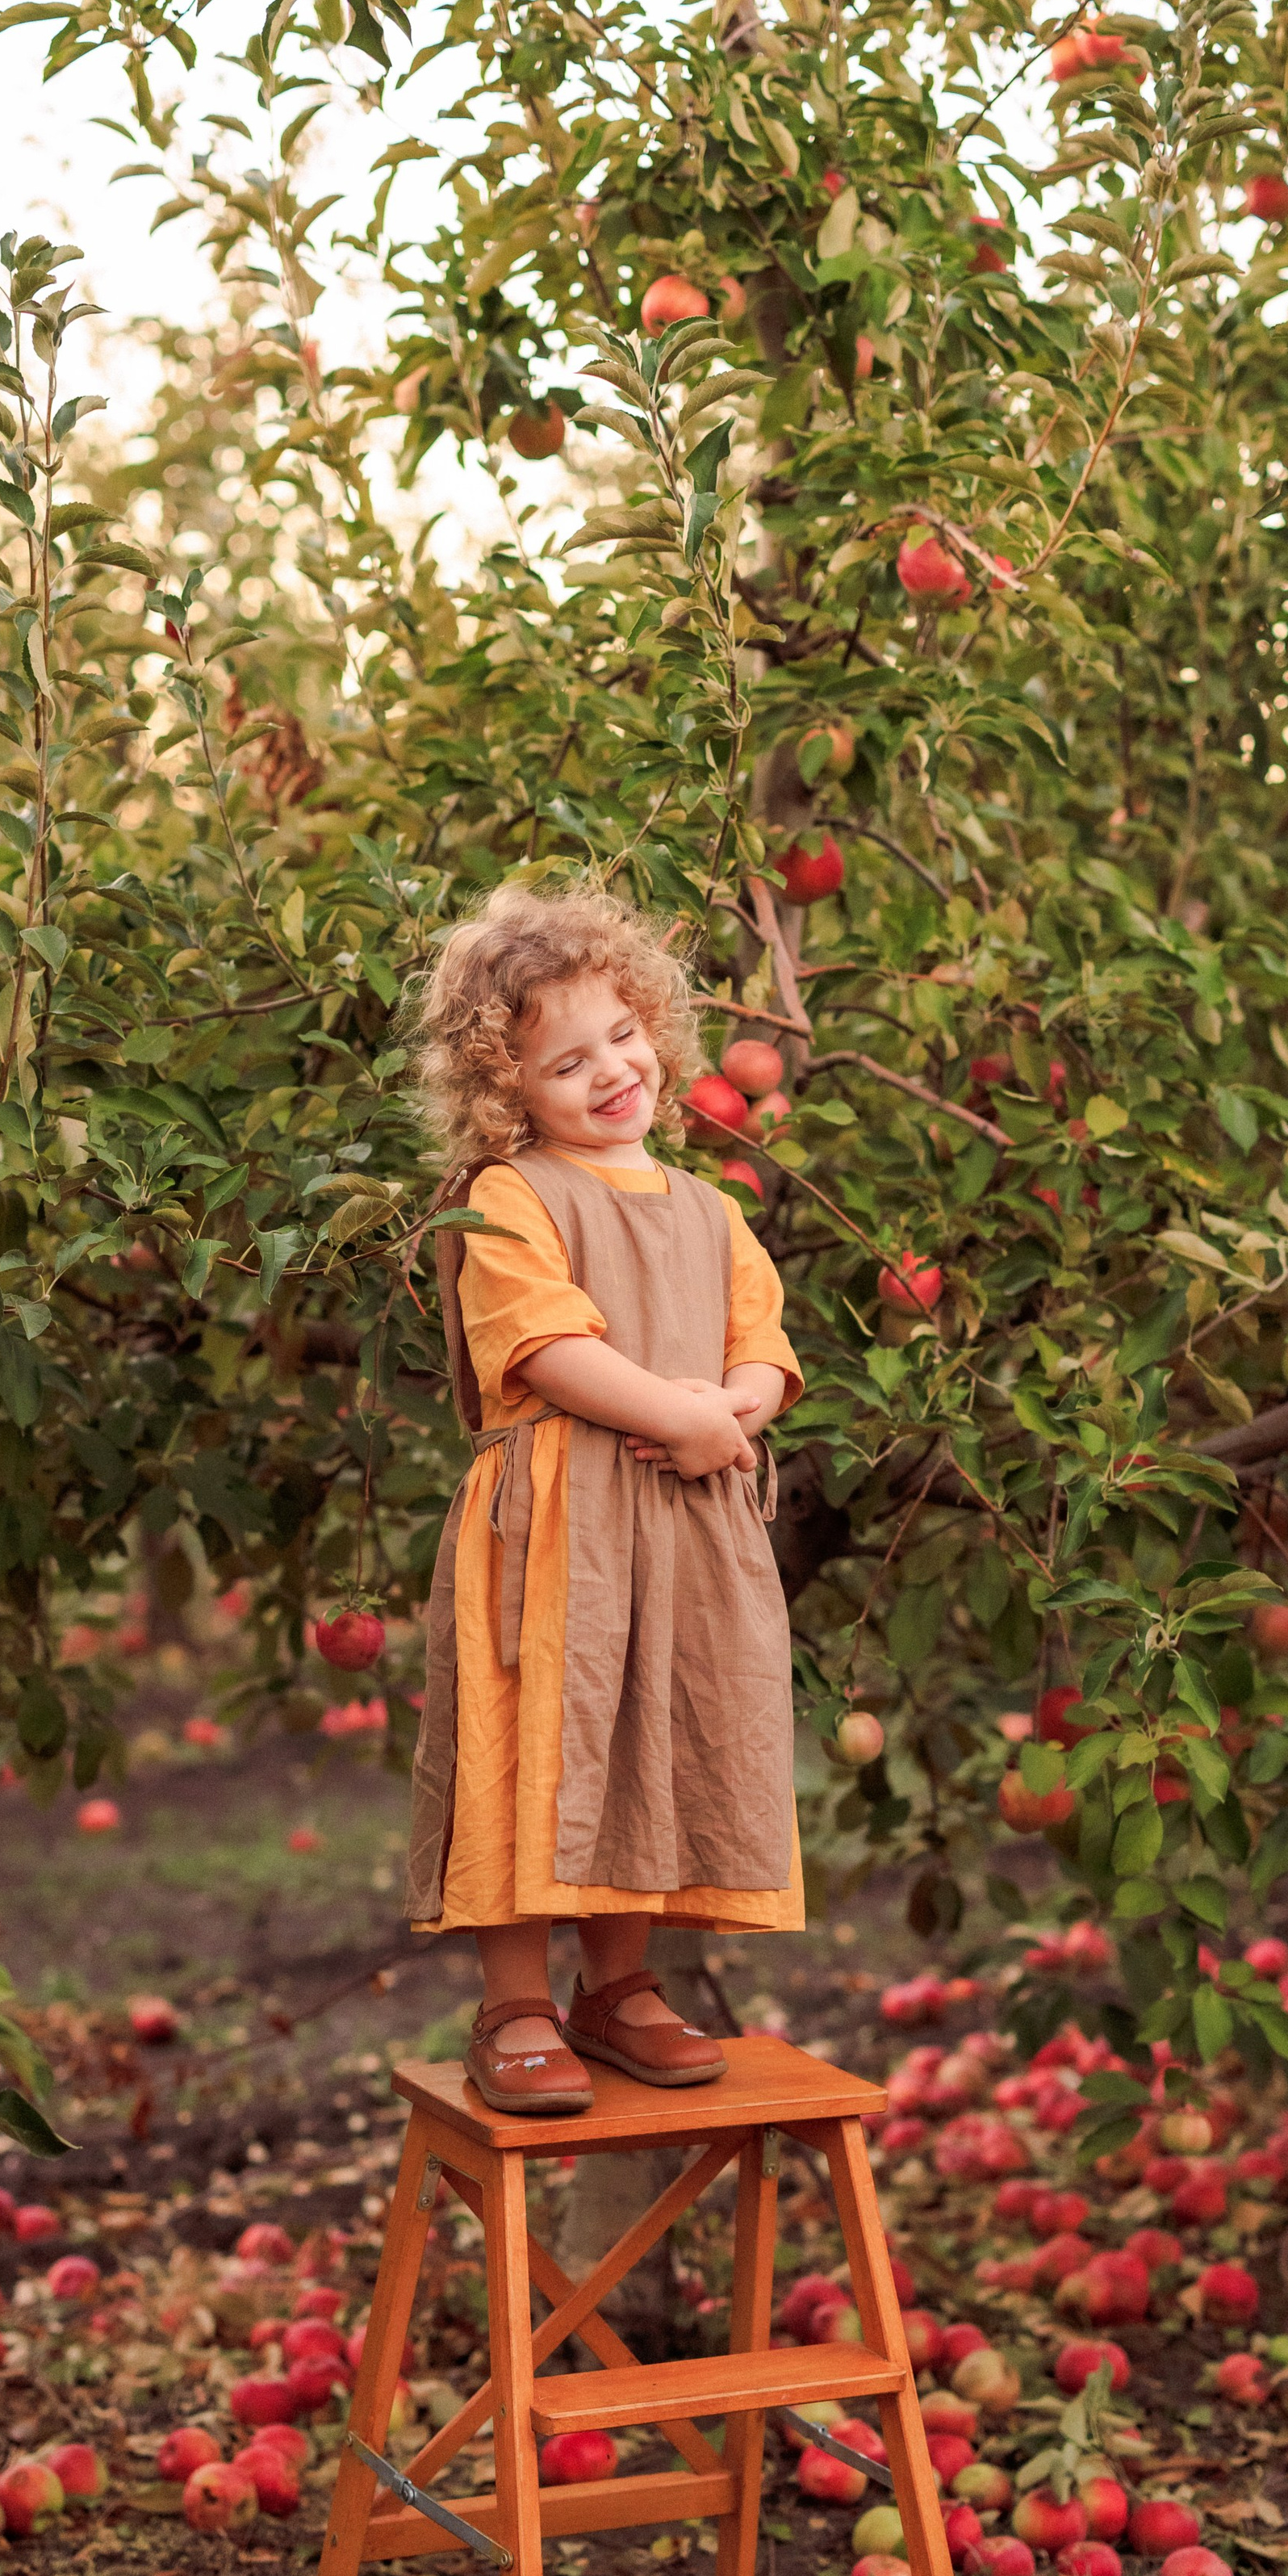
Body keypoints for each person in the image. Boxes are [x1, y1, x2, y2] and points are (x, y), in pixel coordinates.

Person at [404, 879, 804, 2114]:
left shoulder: (710, 1208)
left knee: (649, 1742)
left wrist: (730, 1411)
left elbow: (764, 1347)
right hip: (557, 1532)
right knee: (535, 1743)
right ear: (504, 1089)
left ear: (658, 1031)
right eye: (565, 1061)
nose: (611, 1071)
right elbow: (542, 1348)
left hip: (678, 1530)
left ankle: (617, 1986)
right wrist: (680, 1415)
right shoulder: (513, 1198)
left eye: (623, 1036)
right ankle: (516, 2001)